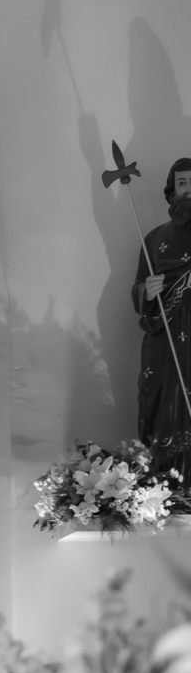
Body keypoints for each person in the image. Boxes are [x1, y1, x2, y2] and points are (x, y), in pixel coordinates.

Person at [132, 158, 191, 462]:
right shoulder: (155, 240)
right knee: (159, 400)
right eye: (182, 183)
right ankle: (165, 482)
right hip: (165, 340)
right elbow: (138, 288)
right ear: (172, 191)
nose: (189, 190)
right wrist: (148, 292)